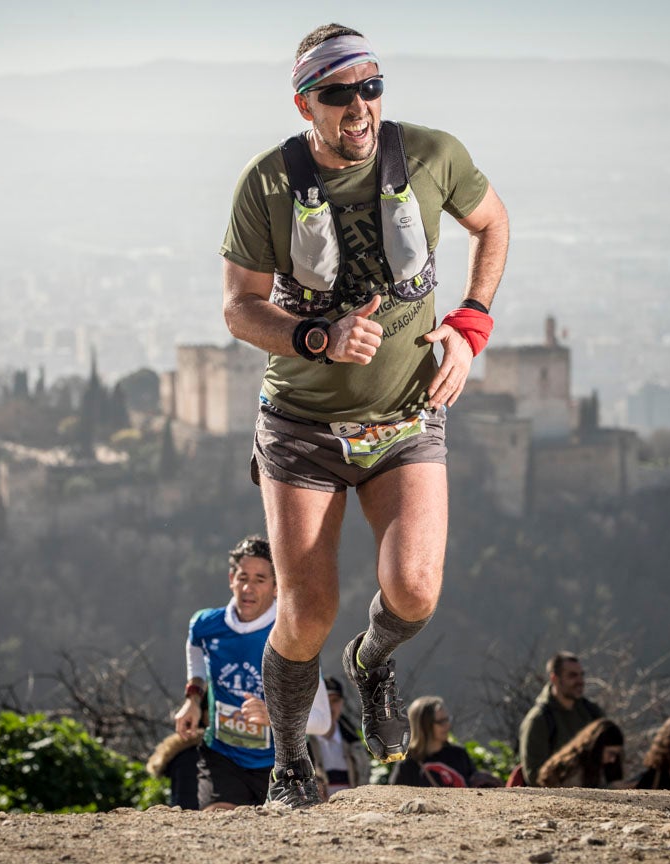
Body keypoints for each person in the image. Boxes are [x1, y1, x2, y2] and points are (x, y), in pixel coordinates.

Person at [219, 22, 509, 809]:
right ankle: (289, 766)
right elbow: (240, 310)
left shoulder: (430, 154)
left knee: (414, 590)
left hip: (408, 415)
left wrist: (471, 326)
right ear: (304, 103)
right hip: (304, 426)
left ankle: (373, 660)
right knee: (306, 610)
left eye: (371, 86)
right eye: (338, 93)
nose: (359, 105)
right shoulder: (267, 183)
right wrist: (317, 334)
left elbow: (494, 223)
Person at [173, 535, 331, 810]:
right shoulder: (205, 625)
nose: (248, 588)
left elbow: (323, 721)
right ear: (231, 578)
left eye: (259, 580)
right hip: (222, 757)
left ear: (276, 587)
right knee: (220, 825)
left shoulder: (293, 637)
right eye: (243, 577)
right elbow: (195, 652)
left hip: (284, 763)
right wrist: (193, 697)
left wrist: (275, 717)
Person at [517, 651, 605, 786]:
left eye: (581, 675)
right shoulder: (539, 720)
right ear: (554, 679)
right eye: (572, 676)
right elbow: (534, 775)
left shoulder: (592, 713)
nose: (580, 681)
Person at [388, 696, 500, 787]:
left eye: (447, 719)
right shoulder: (408, 765)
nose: (447, 725)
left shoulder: (459, 754)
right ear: (424, 726)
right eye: (441, 721)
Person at [307, 675, 371, 799]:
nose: (330, 707)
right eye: (325, 701)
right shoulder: (303, 743)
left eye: (335, 700)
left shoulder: (353, 740)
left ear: (342, 702)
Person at [535, 718, 626, 789]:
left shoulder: (602, 765)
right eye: (611, 753)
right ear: (597, 747)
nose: (613, 759)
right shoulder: (572, 767)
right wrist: (612, 788)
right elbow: (577, 796)